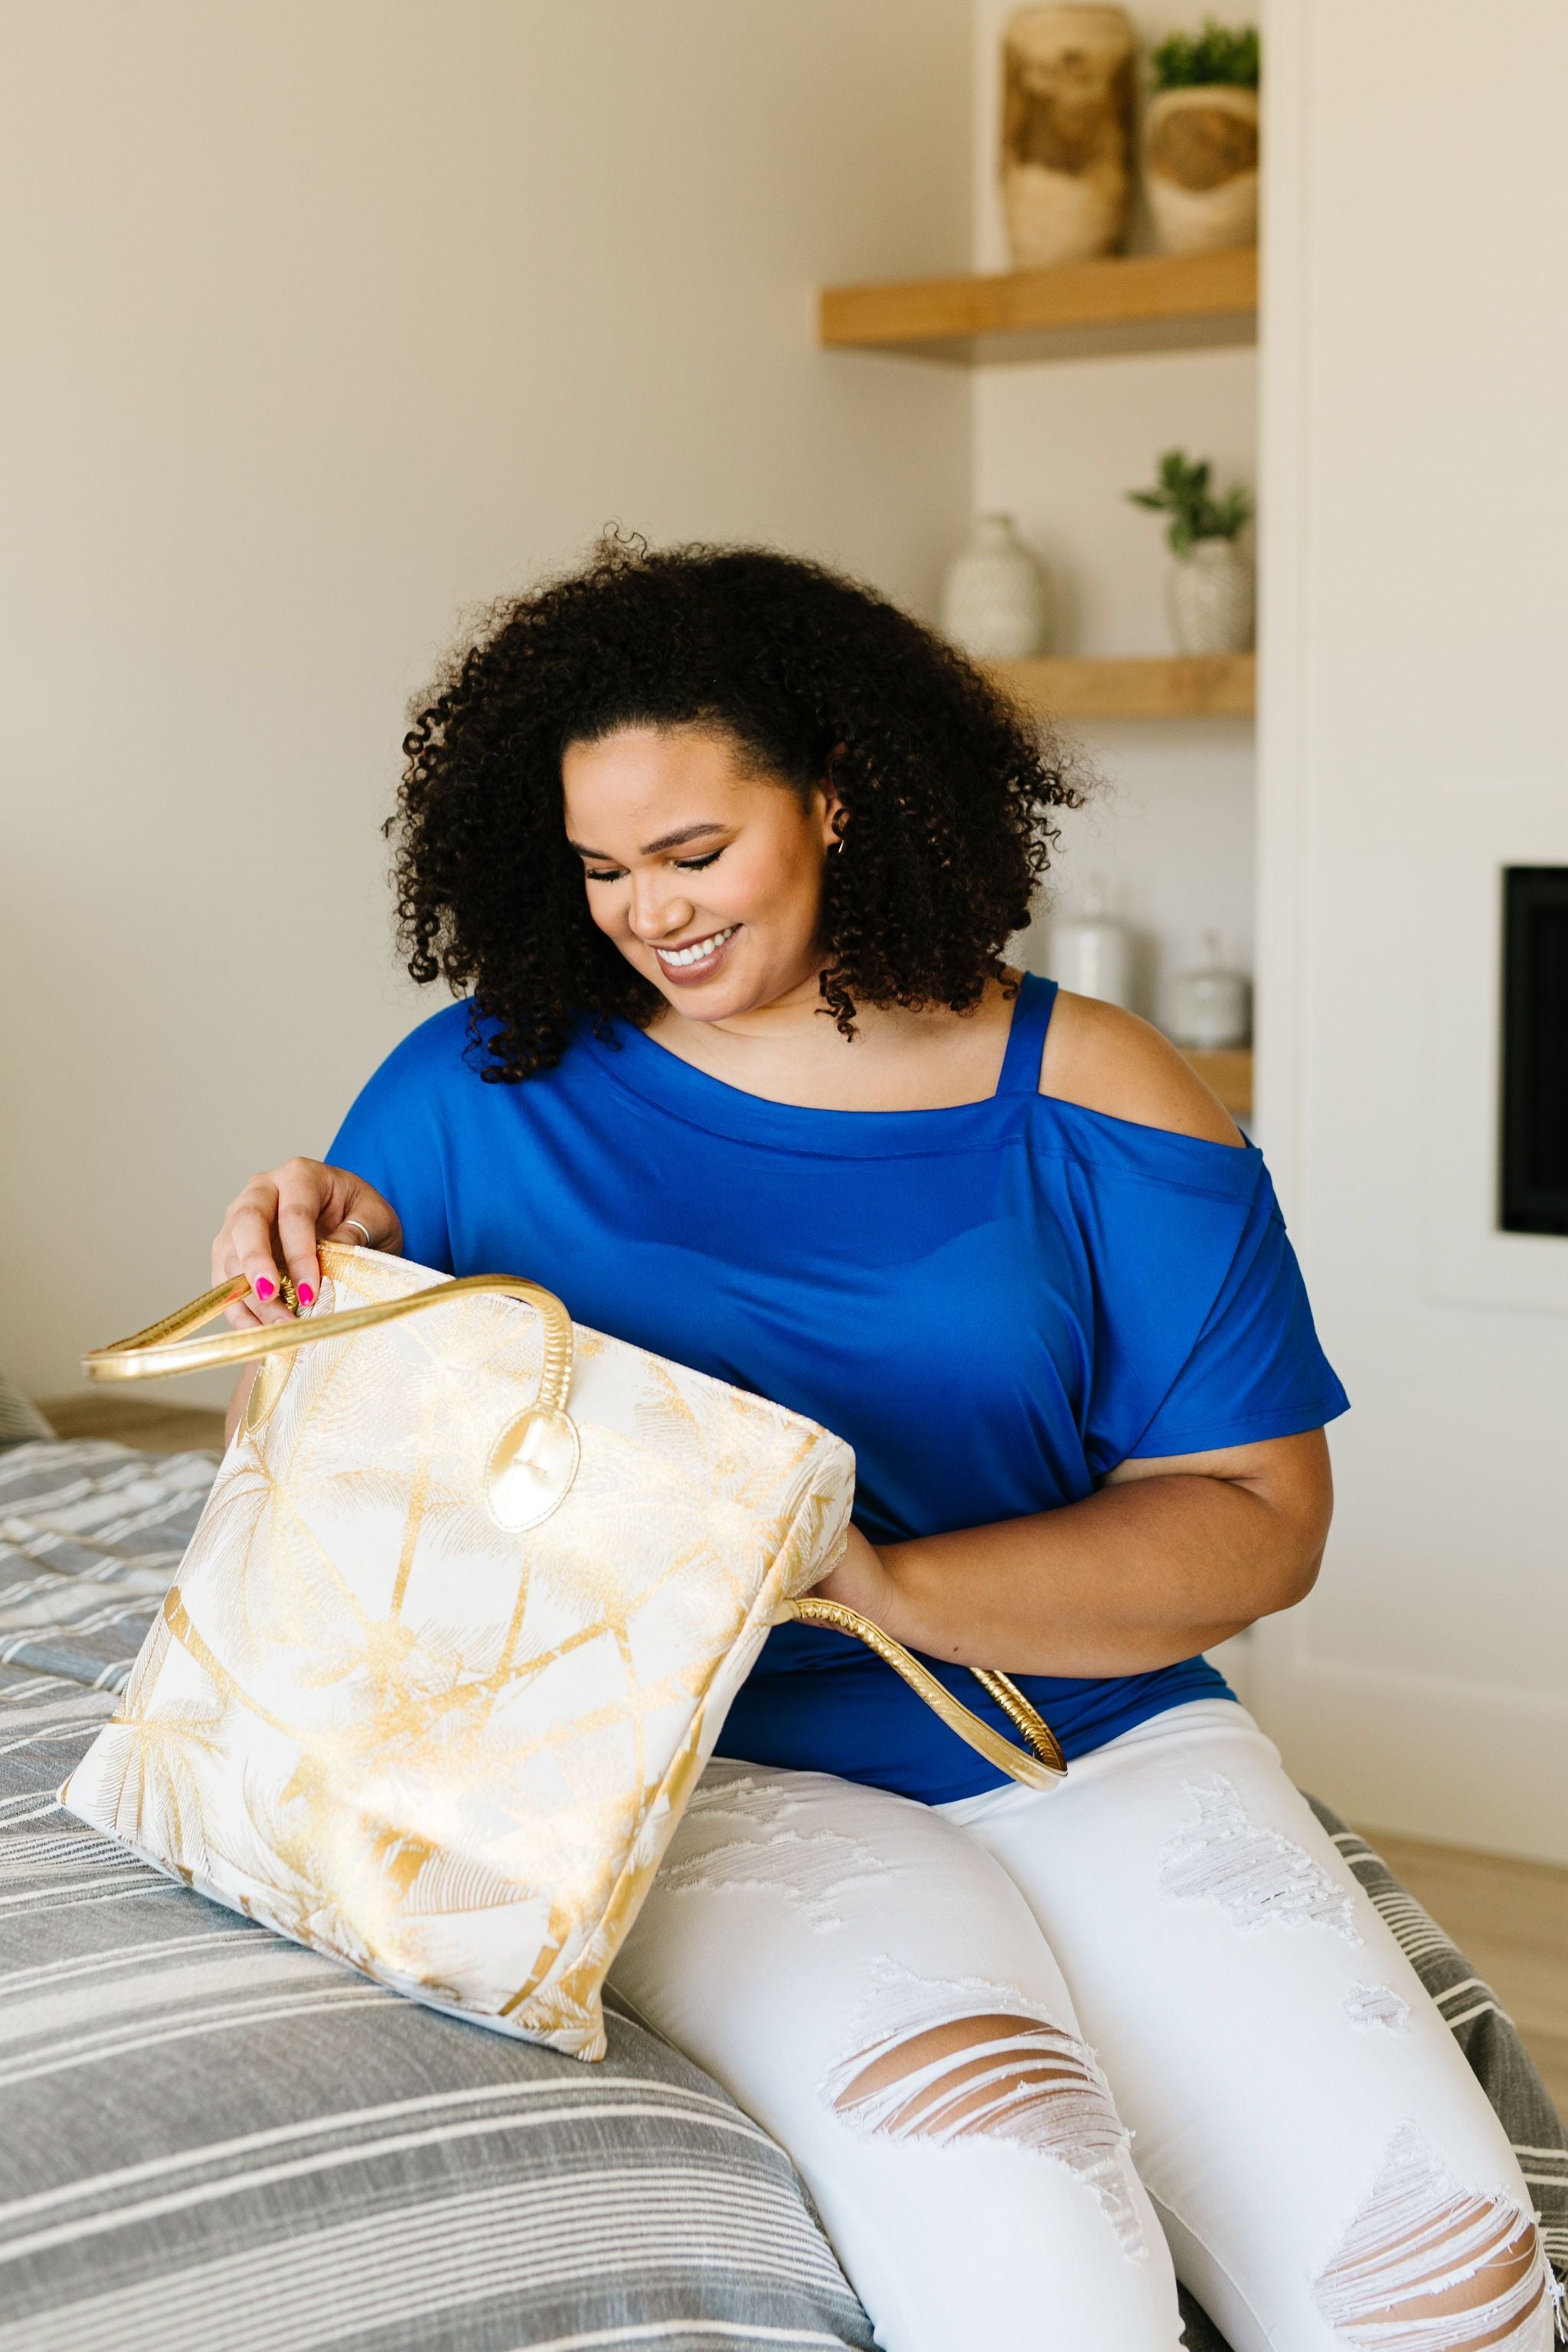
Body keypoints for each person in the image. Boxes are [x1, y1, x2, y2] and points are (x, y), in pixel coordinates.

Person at [213, 539, 1554, 2352]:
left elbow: (1255, 1517)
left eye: (696, 853)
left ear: (839, 800)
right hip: (680, 1760)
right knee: (1033, 2239)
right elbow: (309, 1505)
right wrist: (308, 1301)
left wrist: (887, 1582)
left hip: (1080, 1725)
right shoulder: (473, 1084)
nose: (648, 913)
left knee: (1441, 2280)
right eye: (602, 867)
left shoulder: (1094, 1092)